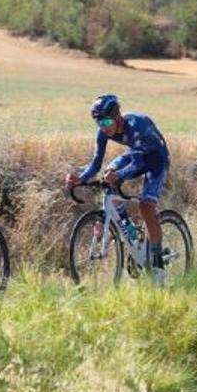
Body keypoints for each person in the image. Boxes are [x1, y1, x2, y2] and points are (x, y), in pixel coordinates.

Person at [64, 94, 171, 285]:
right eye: (98, 122)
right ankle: (133, 237)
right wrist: (80, 178)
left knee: (146, 207)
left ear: (117, 116)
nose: (103, 127)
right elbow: (96, 163)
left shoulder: (137, 126)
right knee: (108, 172)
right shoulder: (103, 132)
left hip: (156, 159)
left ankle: (157, 264)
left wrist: (120, 176)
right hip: (135, 154)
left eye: (105, 121)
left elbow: (139, 162)